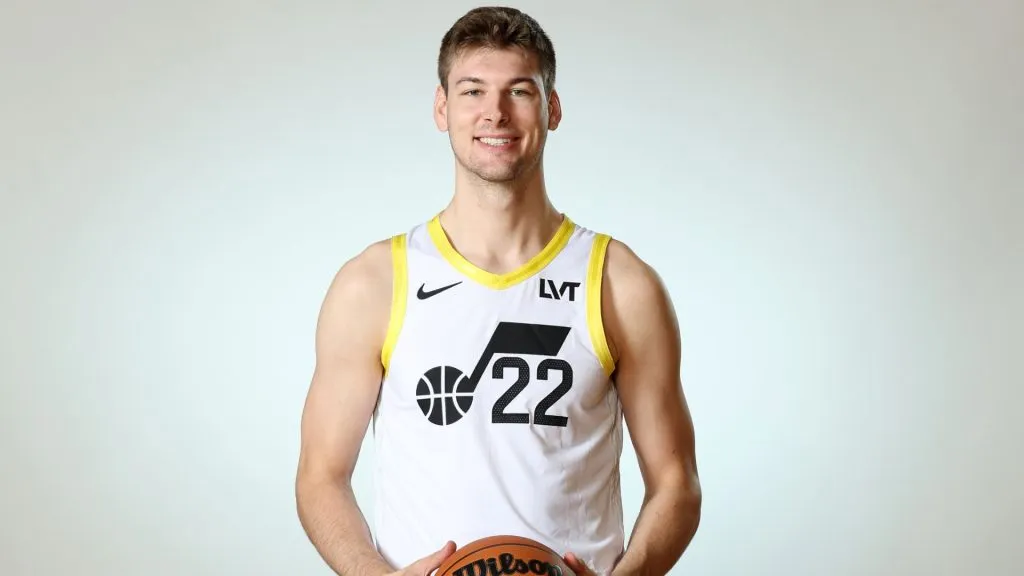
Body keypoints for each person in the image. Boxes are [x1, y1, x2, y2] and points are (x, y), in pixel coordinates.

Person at [295, 6, 701, 576]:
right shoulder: (374, 283)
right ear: (442, 108)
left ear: (552, 108)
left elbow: (676, 482)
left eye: (519, 91)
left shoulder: (619, 283)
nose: (495, 113)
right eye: (472, 91)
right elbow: (320, 476)